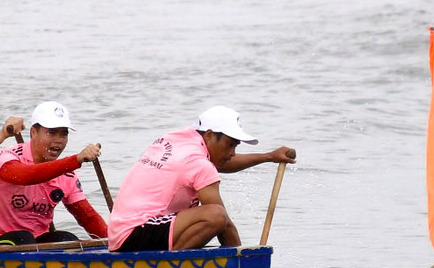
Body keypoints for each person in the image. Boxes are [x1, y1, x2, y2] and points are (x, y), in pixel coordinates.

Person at [108, 107, 296, 252]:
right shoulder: (198, 162)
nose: (232, 153)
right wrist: (244, 264)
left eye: (235, 146)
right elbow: (224, 225)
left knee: (215, 214)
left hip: (122, 233)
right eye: (229, 145)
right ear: (209, 135)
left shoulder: (180, 138)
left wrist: (269, 156)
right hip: (135, 234)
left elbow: (219, 162)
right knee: (216, 215)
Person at [0, 101, 107, 247]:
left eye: (63, 134)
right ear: (33, 132)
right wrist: (76, 159)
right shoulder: (5, 157)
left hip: (36, 241)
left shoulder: (67, 176)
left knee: (67, 239)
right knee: (24, 238)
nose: (58, 140)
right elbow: (25, 176)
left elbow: (88, 218)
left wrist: (116, 244)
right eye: (51, 133)